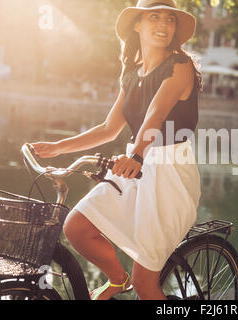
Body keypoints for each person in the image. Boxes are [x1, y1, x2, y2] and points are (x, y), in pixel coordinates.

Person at [29, 0, 203, 300]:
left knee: (147, 285)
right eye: (154, 17)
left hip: (169, 176)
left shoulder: (180, 66)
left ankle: (138, 285)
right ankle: (118, 280)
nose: (163, 24)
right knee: (76, 228)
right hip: (134, 167)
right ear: (137, 24)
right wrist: (58, 148)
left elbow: (154, 117)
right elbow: (109, 128)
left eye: (169, 19)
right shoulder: (133, 73)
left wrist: (135, 155)